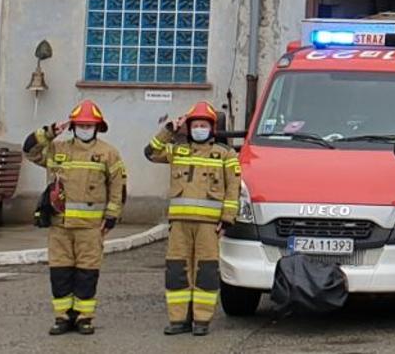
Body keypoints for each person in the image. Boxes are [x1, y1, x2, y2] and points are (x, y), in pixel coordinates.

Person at [23, 100, 127, 335]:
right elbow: (29, 150)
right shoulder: (57, 149)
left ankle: (84, 318)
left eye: (90, 125)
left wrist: (111, 217)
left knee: (87, 274)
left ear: (98, 127)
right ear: (73, 126)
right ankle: (62, 318)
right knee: (60, 273)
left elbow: (117, 186)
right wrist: (49, 132)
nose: (85, 128)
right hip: (60, 226)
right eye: (80, 124)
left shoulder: (108, 153)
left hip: (91, 228)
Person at [145, 101, 240, 336]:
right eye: (195, 124)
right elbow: (151, 152)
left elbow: (233, 188)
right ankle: (178, 320)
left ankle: (201, 320)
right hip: (179, 224)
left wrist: (227, 219)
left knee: (206, 272)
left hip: (209, 226)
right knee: (177, 270)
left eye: (203, 124)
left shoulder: (225, 155)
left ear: (211, 128)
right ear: (188, 127)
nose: (199, 128)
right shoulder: (177, 150)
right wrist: (169, 129)